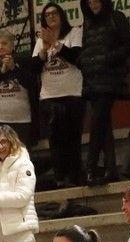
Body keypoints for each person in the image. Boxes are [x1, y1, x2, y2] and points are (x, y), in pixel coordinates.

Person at [80, 0, 130, 184]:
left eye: (95, 1)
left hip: (111, 79)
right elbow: (85, 50)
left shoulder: (116, 17)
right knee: (102, 124)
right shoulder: (87, 23)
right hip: (93, 80)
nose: (92, 4)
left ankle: (91, 167)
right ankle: (110, 168)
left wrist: (105, 59)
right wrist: (86, 61)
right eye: (89, 2)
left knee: (97, 122)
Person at [35, 3, 86, 188]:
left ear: (62, 15)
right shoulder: (41, 40)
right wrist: (43, 51)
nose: (51, 17)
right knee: (55, 140)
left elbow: (76, 57)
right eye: (47, 15)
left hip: (72, 93)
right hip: (49, 96)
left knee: (72, 138)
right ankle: (60, 178)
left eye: (55, 13)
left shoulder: (74, 33)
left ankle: (74, 176)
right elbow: (33, 67)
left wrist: (56, 44)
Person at [0, 31, 39, 143]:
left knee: (21, 158)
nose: (0, 47)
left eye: (4, 43)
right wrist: (2, 72)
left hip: (21, 119)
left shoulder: (23, 61)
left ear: (12, 45)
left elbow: (32, 84)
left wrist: (14, 68)